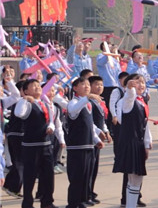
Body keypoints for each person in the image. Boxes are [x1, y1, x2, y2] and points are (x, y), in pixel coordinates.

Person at [113, 74, 153, 208]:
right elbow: (129, 100)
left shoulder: (142, 101)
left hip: (138, 142)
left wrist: (147, 143)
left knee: (135, 179)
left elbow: (145, 124)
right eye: (137, 82)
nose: (141, 85)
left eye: (142, 82)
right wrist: (130, 88)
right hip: (130, 142)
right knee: (134, 178)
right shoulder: (127, 100)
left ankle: (131, 204)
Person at [14, 79, 56, 208]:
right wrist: (24, 99)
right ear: (26, 91)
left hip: (46, 145)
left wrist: (51, 128)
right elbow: (18, 113)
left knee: (48, 176)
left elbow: (51, 121)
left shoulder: (45, 103)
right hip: (31, 147)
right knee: (30, 177)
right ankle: (27, 203)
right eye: (33, 86)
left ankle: (47, 202)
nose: (37, 87)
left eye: (38, 85)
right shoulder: (26, 103)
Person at [66, 77, 105, 208]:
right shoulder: (73, 102)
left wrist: (97, 139)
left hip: (88, 145)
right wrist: (87, 98)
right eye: (83, 84)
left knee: (86, 176)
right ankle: (73, 203)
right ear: (75, 88)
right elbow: (72, 111)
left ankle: (81, 201)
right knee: (77, 177)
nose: (87, 86)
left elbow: (91, 125)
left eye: (88, 84)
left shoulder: (87, 104)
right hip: (77, 146)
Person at [87, 76, 113, 205]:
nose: (99, 87)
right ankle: (86, 193)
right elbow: (90, 122)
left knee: (94, 167)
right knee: (89, 168)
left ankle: (91, 191)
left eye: (101, 85)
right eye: (96, 84)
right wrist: (99, 132)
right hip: (90, 138)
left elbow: (102, 120)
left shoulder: (100, 101)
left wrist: (107, 131)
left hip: (99, 138)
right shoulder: (89, 102)